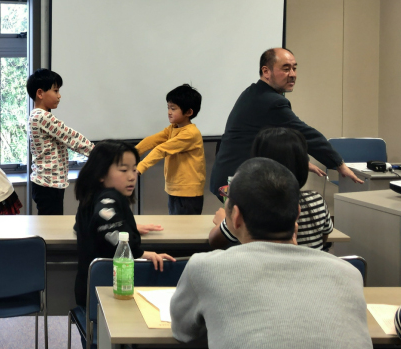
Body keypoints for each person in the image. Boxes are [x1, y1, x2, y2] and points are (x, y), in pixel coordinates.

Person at [170, 158, 373, 349]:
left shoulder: (205, 268)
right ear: (298, 212)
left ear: (236, 216)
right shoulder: (348, 273)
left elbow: (183, 331)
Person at [210, 47, 362, 198]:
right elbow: (305, 134)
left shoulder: (254, 92)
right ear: (266, 71)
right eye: (286, 69)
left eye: (294, 68)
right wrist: (339, 164)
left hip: (230, 175)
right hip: (236, 181)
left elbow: (266, 138)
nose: (293, 75)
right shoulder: (271, 101)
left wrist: (303, 161)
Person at [74, 140, 174, 308]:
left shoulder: (91, 196)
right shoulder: (109, 197)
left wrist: (127, 228)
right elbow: (105, 221)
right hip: (108, 293)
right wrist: (141, 252)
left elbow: (82, 225)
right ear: (101, 174)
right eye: (123, 170)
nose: (132, 176)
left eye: (134, 169)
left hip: (89, 289)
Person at [209, 127, 333, 249]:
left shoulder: (251, 205)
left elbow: (215, 241)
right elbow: (324, 239)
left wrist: (224, 222)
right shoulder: (317, 201)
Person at [27, 69, 94, 215]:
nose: (59, 95)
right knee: (50, 228)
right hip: (48, 185)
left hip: (49, 183)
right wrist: (97, 153)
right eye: (56, 91)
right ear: (40, 93)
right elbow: (70, 136)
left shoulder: (39, 116)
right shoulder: (42, 116)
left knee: (50, 224)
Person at [136, 84, 205, 215]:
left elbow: (161, 149)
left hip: (188, 194)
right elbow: (151, 141)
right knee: (175, 229)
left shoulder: (191, 133)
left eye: (173, 108)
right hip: (174, 190)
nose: (169, 112)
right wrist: (133, 153)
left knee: (185, 232)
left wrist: (139, 169)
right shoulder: (173, 128)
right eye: (168, 107)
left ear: (189, 112)